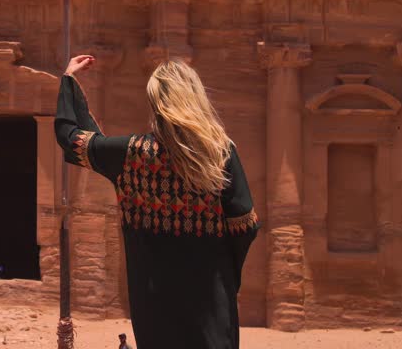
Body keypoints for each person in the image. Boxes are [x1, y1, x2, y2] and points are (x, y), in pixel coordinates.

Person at [55, 55, 260, 349]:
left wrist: (69, 82)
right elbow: (245, 225)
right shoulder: (220, 152)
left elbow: (72, 138)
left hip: (154, 305)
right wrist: (226, 278)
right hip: (211, 299)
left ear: (155, 103)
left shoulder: (131, 154)